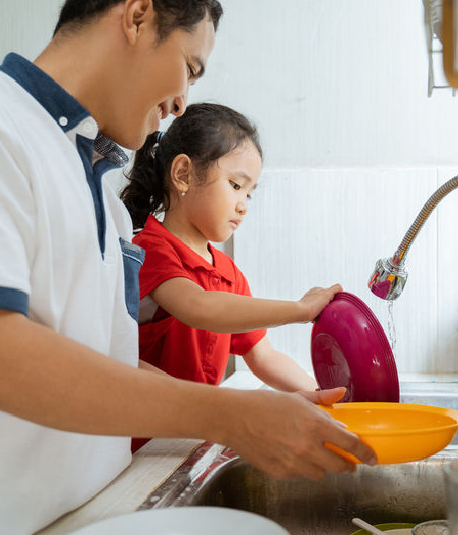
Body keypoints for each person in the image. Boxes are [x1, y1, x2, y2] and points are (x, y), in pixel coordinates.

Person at [0, 0, 375, 534]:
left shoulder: (101, 189)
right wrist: (230, 413)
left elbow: (111, 365)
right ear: (138, 17)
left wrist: (268, 413)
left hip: (80, 513)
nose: (182, 101)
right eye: (189, 69)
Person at [121, 104, 337, 451]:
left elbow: (264, 357)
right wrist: (299, 309)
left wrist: (321, 399)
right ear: (183, 175)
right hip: (143, 447)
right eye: (236, 185)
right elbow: (198, 306)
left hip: (188, 440)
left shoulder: (228, 275)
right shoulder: (150, 249)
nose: (243, 204)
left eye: (249, 193)